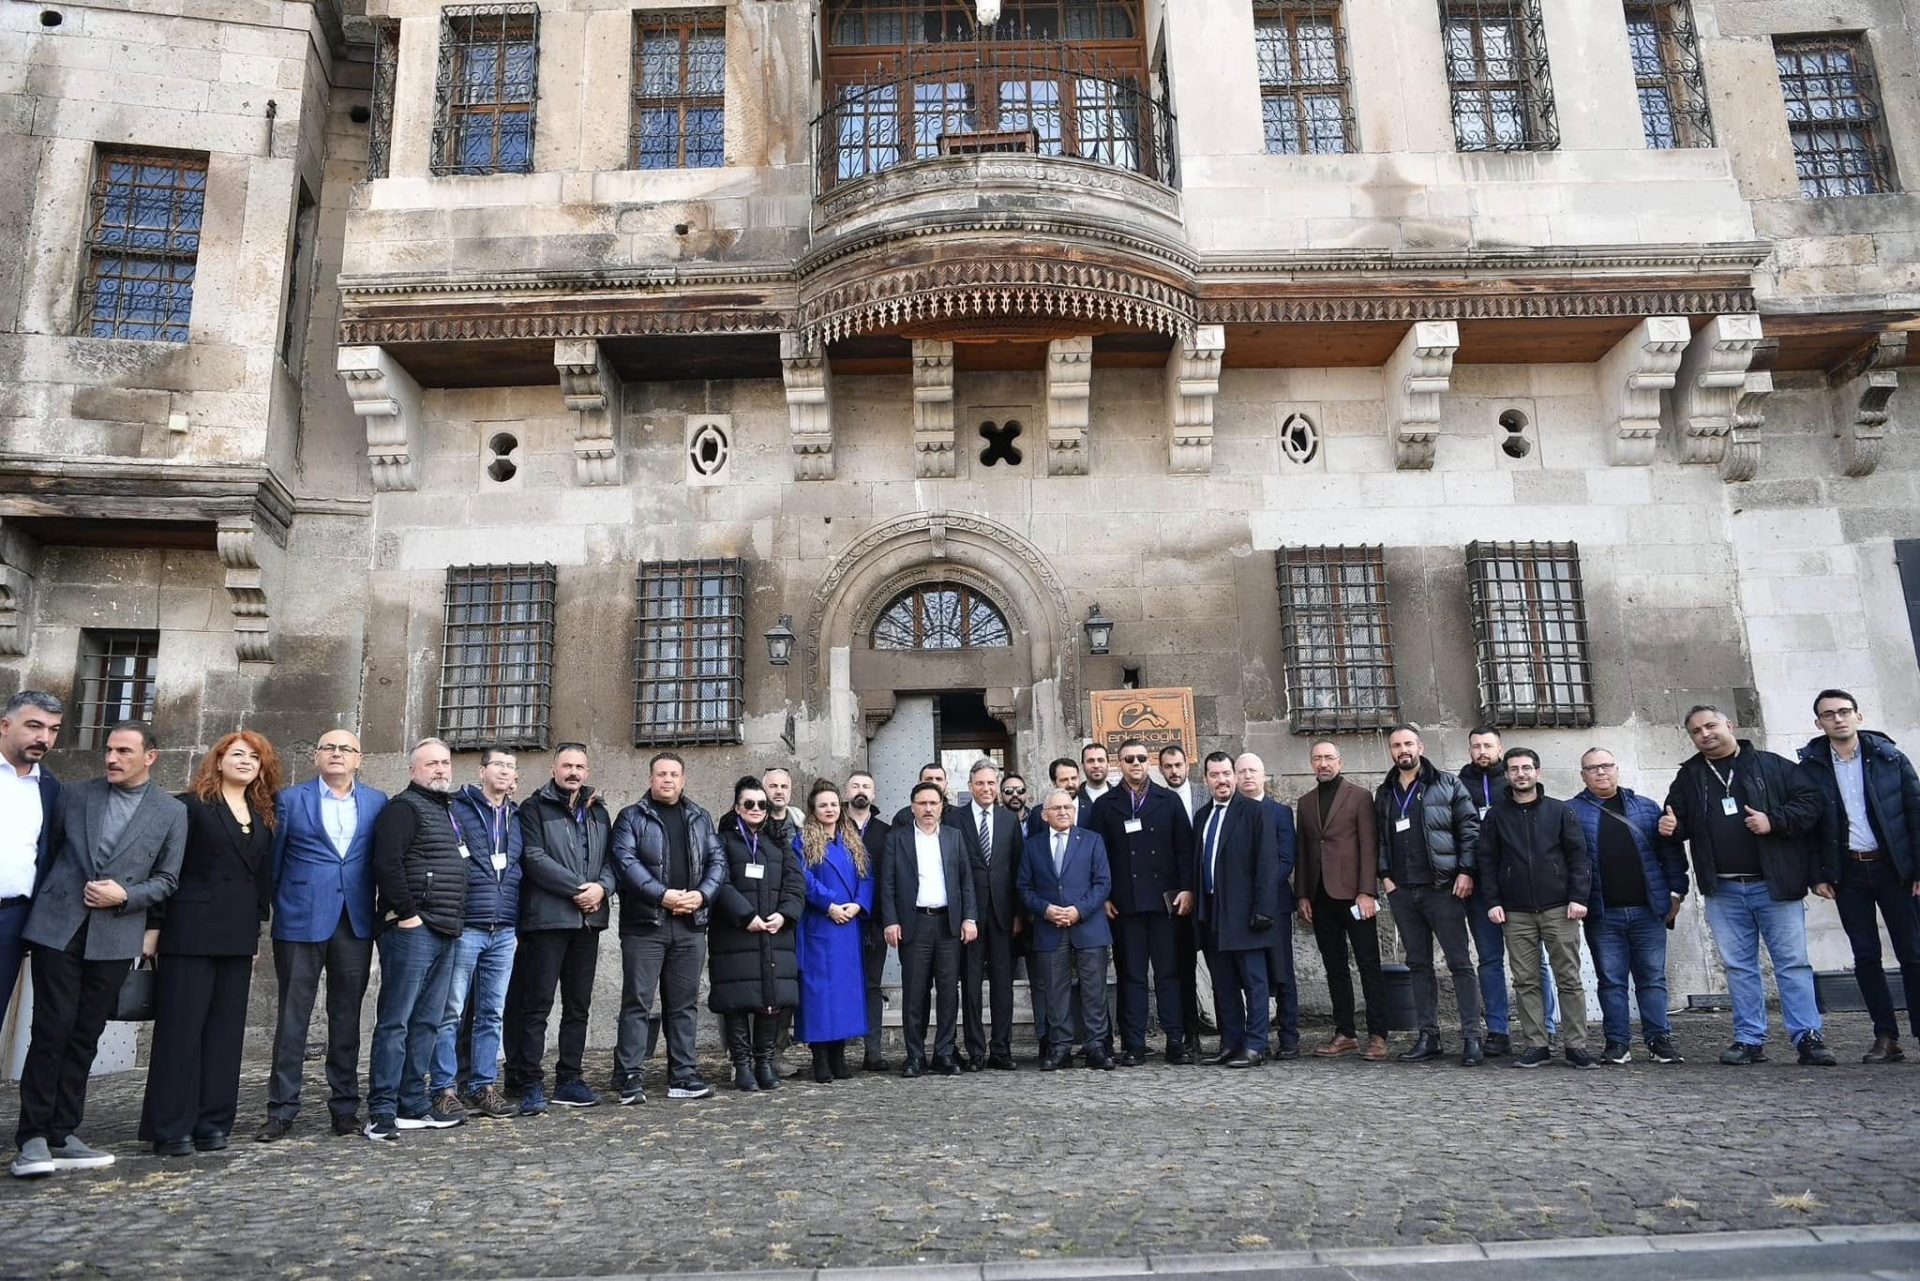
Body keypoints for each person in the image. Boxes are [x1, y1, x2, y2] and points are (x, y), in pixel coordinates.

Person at [11, 721, 185, 1179]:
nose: (111, 758)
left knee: (86, 1034)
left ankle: (62, 1132)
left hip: (114, 935)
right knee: (52, 1029)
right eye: (109, 750)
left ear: (151, 756)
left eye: (124, 751)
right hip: (57, 929)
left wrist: (125, 897)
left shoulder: (170, 811)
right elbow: (44, 855)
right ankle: (30, 1137)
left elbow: (168, 880)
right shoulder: (73, 794)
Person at [1660, 705, 1834, 1066]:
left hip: (1773, 884)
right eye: (1696, 731)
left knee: (1792, 964)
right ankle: (1749, 1038)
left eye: (1710, 726)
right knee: (1739, 967)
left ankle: (1808, 1036)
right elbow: (1678, 820)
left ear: (1729, 725)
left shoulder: (1772, 765)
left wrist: (1775, 820)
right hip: (1723, 889)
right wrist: (1671, 828)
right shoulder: (1690, 775)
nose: (1705, 734)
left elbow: (1811, 803)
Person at [140, 732, 279, 1154]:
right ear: (217, 761)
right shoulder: (189, 806)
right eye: (237, 754)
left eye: (254, 756)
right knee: (181, 1030)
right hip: (190, 929)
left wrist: (255, 932)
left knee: (225, 1032)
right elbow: (167, 867)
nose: (246, 761)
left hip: (236, 933)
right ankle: (170, 1127)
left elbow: (260, 880)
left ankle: (212, 1122)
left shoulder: (262, 812)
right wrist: (154, 926)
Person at [259, 728, 386, 1142]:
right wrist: (280, 909)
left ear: (358, 759)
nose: (337, 754)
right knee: (293, 1019)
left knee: (346, 1018)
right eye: (328, 748)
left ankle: (345, 1109)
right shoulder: (291, 800)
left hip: (354, 921)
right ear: (315, 757)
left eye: (345, 749)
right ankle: (281, 1111)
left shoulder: (376, 802)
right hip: (300, 921)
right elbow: (273, 866)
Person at [1797, 690, 1920, 1063]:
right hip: (1848, 871)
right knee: (1866, 955)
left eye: (1844, 711)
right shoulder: (1810, 768)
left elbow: (1915, 811)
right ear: (1819, 722)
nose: (1838, 719)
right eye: (1829, 714)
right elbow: (1810, 828)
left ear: (1858, 715)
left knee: (1913, 953)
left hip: (1894, 869)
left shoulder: (1890, 758)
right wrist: (1817, 874)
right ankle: (1886, 1036)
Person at [365, 738, 469, 1140]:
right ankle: (382, 1111)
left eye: (445, 763)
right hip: (413, 930)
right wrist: (407, 915)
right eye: (431, 764)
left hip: (446, 929)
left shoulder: (447, 810)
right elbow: (386, 863)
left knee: (426, 1022)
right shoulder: (403, 809)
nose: (441, 769)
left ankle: (413, 1103)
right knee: (396, 1022)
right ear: (413, 770)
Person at [610, 751, 727, 1102]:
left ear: (683, 779)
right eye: (661, 774)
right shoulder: (631, 817)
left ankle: (683, 1074)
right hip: (646, 926)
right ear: (650, 779)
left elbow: (718, 861)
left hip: (690, 925)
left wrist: (702, 896)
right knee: (637, 1002)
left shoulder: (699, 817)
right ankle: (629, 1075)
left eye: (674, 774)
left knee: (684, 1003)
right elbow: (625, 863)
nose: (667, 780)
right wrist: (663, 896)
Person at [504, 743, 614, 1114]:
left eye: (580, 766)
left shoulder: (599, 810)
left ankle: (570, 1078)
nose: (573, 772)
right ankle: (529, 1081)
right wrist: (579, 889)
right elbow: (533, 857)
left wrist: (603, 888)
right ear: (553, 769)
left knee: (578, 1006)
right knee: (536, 1006)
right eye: (567, 765)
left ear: (587, 771)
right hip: (547, 921)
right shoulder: (533, 809)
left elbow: (611, 861)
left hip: (588, 922)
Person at [1567, 747, 1688, 1066]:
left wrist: (1677, 894)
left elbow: (1671, 854)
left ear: (1616, 769)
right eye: (1593, 768)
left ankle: (1659, 1039)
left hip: (1648, 910)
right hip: (1602, 913)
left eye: (1606, 766)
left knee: (1652, 978)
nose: (1601, 772)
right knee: (1611, 980)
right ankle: (1617, 1042)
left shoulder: (1646, 808)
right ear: (1583, 775)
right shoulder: (1572, 812)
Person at [1476, 748, 1594, 1069]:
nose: (1521, 774)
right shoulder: (1496, 816)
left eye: (1527, 768)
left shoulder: (1560, 811)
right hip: (1515, 912)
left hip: (1560, 908)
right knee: (1525, 980)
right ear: (1507, 775)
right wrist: (1494, 902)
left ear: (1538, 772)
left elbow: (1578, 857)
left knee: (1568, 978)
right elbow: (1487, 862)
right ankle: (1536, 1043)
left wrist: (1578, 897)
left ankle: (1576, 1045)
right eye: (1514, 769)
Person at [1374, 724, 1483, 1066]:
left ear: (1420, 746)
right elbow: (1379, 838)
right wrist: (1386, 878)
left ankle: (1471, 1038)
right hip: (1404, 892)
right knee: (1417, 965)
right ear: (1391, 751)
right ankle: (1428, 1036)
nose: (1402, 750)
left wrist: (1466, 871)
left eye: (1408, 743)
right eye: (1396, 745)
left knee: (1460, 964)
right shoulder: (1386, 791)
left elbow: (1469, 829)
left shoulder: (1448, 784)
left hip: (1443, 889)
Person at [429, 746, 523, 1119]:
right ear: (481, 770)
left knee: (491, 1012)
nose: (504, 771)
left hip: (503, 929)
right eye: (497, 764)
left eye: (510, 766)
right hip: (466, 926)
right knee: (450, 1011)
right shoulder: (457, 809)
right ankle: (443, 1089)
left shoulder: (517, 816)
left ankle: (483, 1086)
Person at [1093, 738, 1195, 1066]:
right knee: (1131, 976)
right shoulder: (1106, 805)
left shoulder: (1168, 801)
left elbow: (1185, 850)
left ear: (1148, 762)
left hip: (1166, 904)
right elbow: (1098, 855)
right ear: (1118, 764)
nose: (1135, 764)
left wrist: (1187, 889)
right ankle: (1134, 1043)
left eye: (1140, 758)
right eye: (1128, 759)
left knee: (1169, 975)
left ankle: (1175, 1040)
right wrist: (1104, 897)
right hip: (1126, 906)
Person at [1293, 740, 1389, 1061]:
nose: (1323, 763)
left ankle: (1378, 1034)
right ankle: (1345, 1032)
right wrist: (1303, 894)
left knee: (1368, 965)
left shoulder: (1359, 796)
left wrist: (1367, 891)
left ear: (1340, 761)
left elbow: (1369, 845)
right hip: (1320, 898)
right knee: (1335, 967)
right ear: (1311, 764)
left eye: (1328, 758)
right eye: (1317, 758)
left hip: (1354, 895)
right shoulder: (1305, 803)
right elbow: (1304, 851)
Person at [710, 777, 804, 1091]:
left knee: (770, 1001)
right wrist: (745, 915)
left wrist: (785, 914)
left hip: (773, 934)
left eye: (761, 804)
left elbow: (795, 883)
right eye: (749, 803)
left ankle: (764, 1063)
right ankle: (742, 1065)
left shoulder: (777, 842)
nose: (756, 809)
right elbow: (718, 883)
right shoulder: (722, 841)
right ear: (737, 807)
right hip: (736, 935)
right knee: (737, 1003)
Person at [880, 780, 977, 1076]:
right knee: (915, 992)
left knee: (949, 992)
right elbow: (887, 884)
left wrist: (969, 918)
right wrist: (891, 920)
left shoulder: (953, 837)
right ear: (912, 807)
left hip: (948, 925)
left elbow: (965, 881)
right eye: (922, 803)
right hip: (914, 924)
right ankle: (915, 1055)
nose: (928, 809)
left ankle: (944, 1052)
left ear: (941, 807)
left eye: (933, 803)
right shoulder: (897, 839)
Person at [1019, 788, 1114, 1071]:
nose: (1063, 812)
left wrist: (1078, 910)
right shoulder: (1032, 846)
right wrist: (1046, 909)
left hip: (1088, 925)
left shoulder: (1092, 841)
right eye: (1057, 808)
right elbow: (1024, 887)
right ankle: (1060, 1048)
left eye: (1068, 808)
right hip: (1049, 927)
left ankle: (1096, 1046)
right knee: (1055, 989)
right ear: (1045, 814)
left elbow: (1103, 883)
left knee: (1094, 989)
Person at [1194, 752, 1277, 1067]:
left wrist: (1263, 910)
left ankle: (1255, 1046)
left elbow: (1267, 865)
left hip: (1246, 913)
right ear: (1206, 780)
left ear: (1235, 775)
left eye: (1226, 773)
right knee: (1223, 982)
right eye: (1214, 775)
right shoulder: (1202, 816)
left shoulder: (1254, 813)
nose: (1222, 780)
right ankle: (1231, 1043)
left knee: (1255, 982)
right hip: (1212, 912)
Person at [794, 780, 873, 1083]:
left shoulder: (852, 839)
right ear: (813, 810)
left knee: (843, 994)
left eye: (833, 804)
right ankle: (820, 1058)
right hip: (821, 925)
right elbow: (803, 878)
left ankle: (839, 1056)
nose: (829, 809)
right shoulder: (803, 841)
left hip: (848, 925)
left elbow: (867, 876)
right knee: (819, 995)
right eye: (822, 805)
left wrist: (858, 905)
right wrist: (829, 904)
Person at [0, 691, 63, 1032]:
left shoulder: (50, 787)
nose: (44, 738)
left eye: (53, 730)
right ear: (5, 725)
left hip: (9, 921)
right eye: (34, 726)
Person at [954, 759, 1023, 1071]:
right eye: (980, 783)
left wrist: (1020, 914)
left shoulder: (1010, 821)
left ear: (998, 787)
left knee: (1002, 986)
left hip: (1003, 914)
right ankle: (976, 1051)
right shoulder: (954, 820)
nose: (986, 789)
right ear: (970, 787)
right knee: (970, 985)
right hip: (968, 917)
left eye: (991, 783)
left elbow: (1018, 869)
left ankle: (1001, 1049)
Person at [1458, 726, 1518, 1057]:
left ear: (1500, 748)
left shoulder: (1513, 780)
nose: (1482, 751)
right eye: (1476, 746)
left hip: (1517, 883)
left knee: (1533, 960)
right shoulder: (1458, 784)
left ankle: (1545, 1026)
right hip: (1480, 885)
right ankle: (1498, 1029)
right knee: (1489, 959)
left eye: (1488, 745)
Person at [1236, 753, 1298, 1057]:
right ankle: (1252, 1036)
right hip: (1241, 909)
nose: (1248, 776)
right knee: (1251, 974)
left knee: (1282, 970)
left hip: (1275, 905)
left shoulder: (1280, 812)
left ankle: (1289, 1038)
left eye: (1253, 771)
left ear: (1264, 776)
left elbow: (1286, 859)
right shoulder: (1231, 813)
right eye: (1242, 771)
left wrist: (1261, 892)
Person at [844, 770, 892, 1071]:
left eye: (866, 786)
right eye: (855, 786)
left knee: (872, 985)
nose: (861, 791)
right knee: (842, 984)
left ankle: (872, 1050)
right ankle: (838, 1050)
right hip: (838, 921)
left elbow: (891, 878)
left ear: (873, 795)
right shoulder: (832, 827)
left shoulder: (886, 833)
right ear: (846, 792)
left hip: (873, 920)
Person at [890, 763, 950, 829]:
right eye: (929, 779)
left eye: (939, 779)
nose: (934, 783)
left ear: (946, 784)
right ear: (919, 783)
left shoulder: (957, 816)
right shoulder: (903, 816)